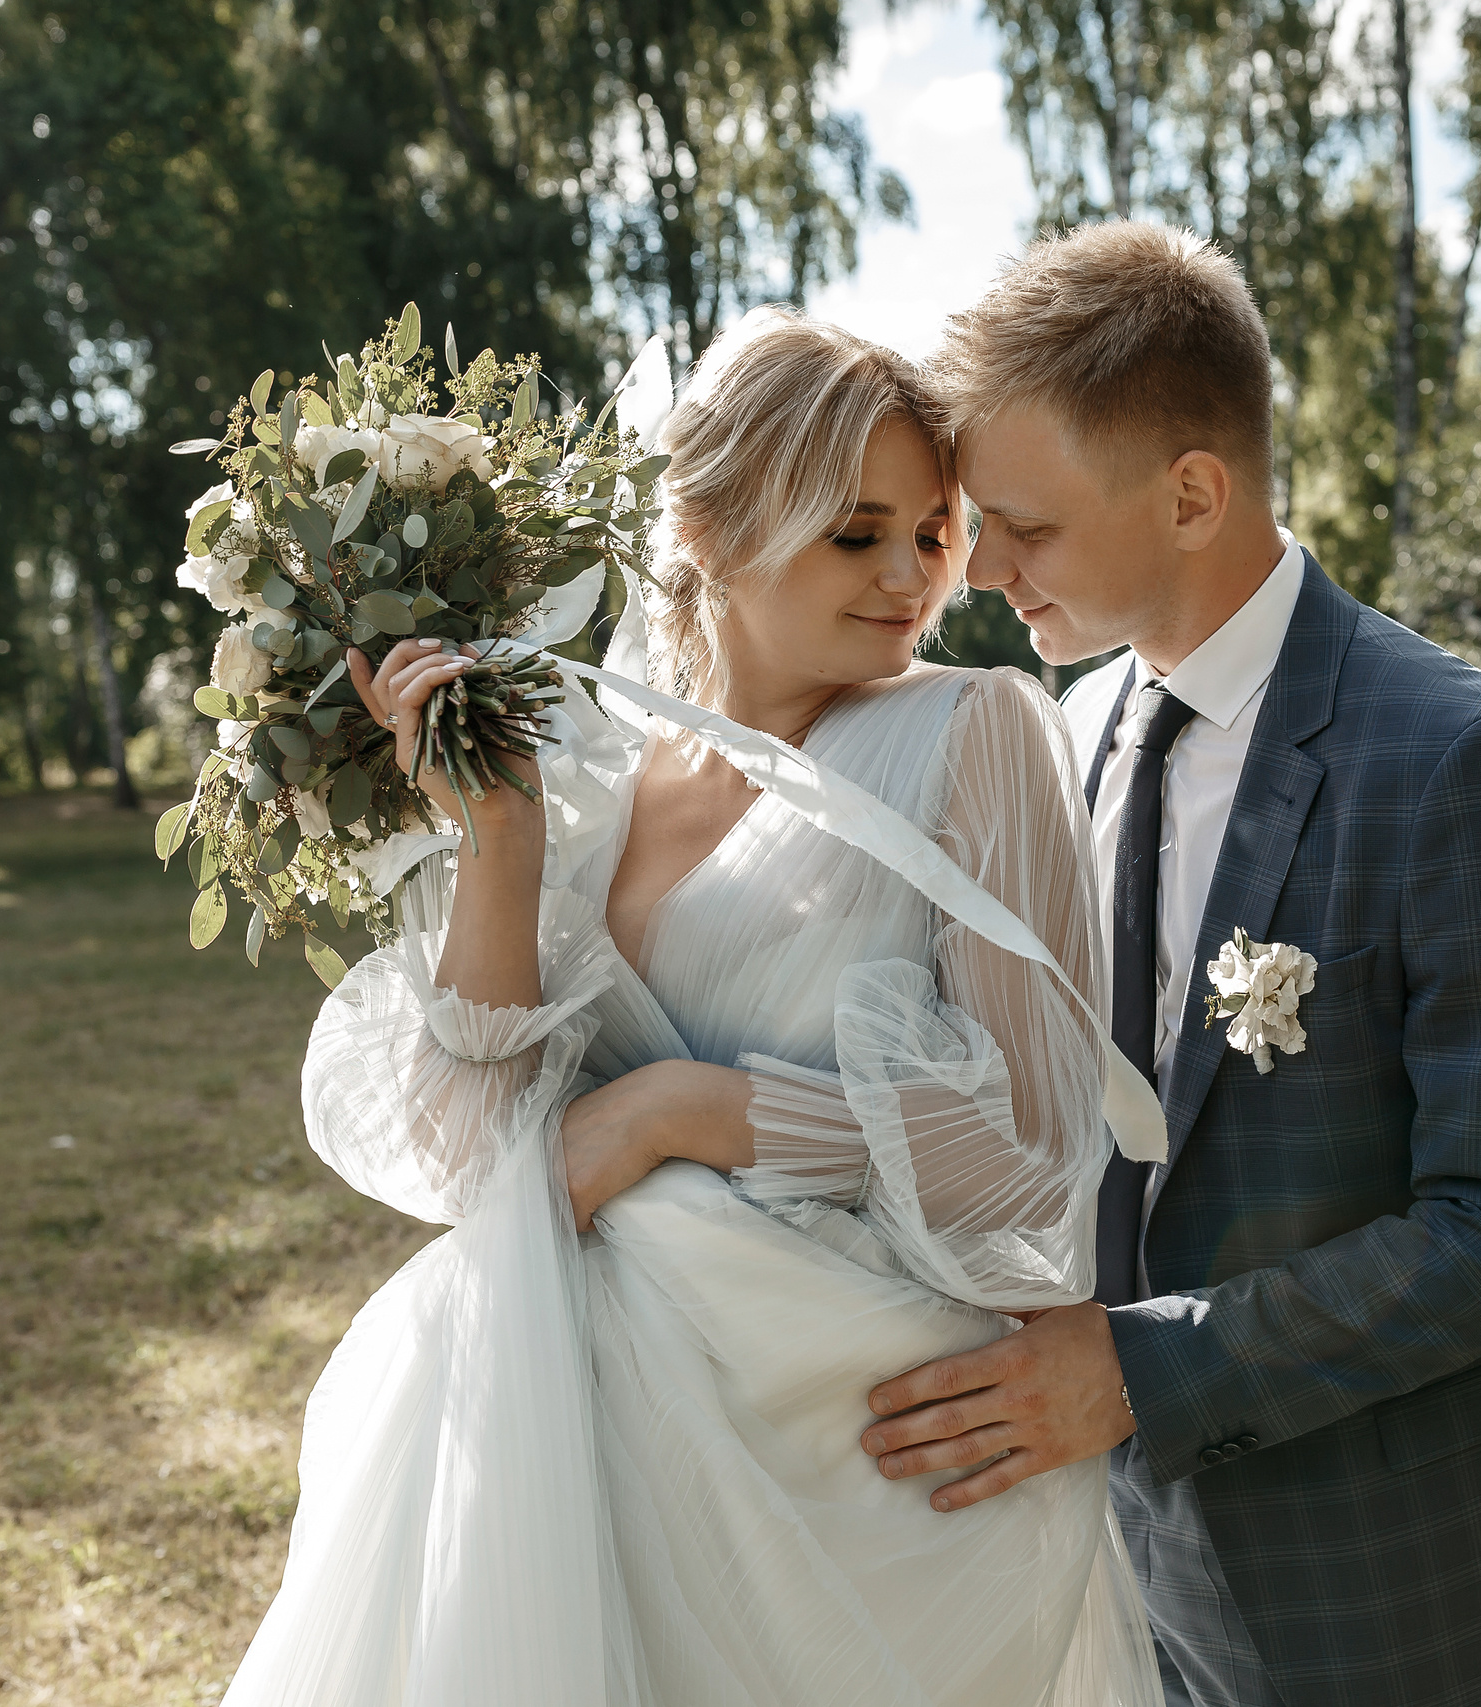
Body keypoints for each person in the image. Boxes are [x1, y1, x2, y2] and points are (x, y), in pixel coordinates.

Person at [218, 307, 1163, 1707]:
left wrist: (689, 1113)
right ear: (714, 530)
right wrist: (504, 844)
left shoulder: (975, 730)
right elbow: (481, 1155)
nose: (913, 576)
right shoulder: (592, 763)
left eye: (933, 531)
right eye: (859, 533)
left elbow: (1028, 1146)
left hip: (822, 1472)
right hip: (557, 1433)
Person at [857, 224, 1481, 1707]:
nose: (978, 570)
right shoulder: (1066, 732)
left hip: (1387, 1584)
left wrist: (1140, 1371)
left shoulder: (1466, 765)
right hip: (1114, 1561)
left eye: (1022, 526)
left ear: (1190, 493)